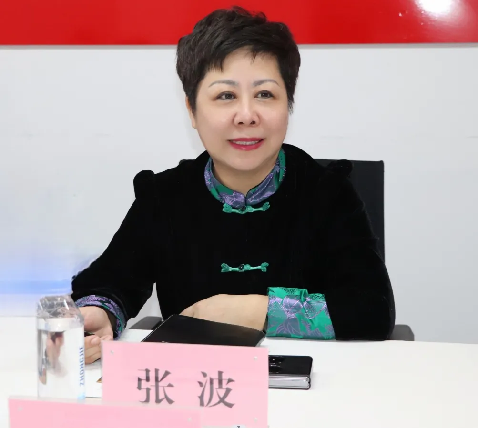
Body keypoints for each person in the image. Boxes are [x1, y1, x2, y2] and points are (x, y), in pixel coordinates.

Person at [72, 6, 396, 364]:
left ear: (288, 104)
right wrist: (100, 314)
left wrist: (258, 311)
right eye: (225, 96)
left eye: (265, 94)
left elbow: (371, 309)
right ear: (192, 111)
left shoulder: (328, 193)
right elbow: (111, 281)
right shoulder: (164, 197)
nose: (246, 115)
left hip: (309, 383)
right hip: (195, 384)